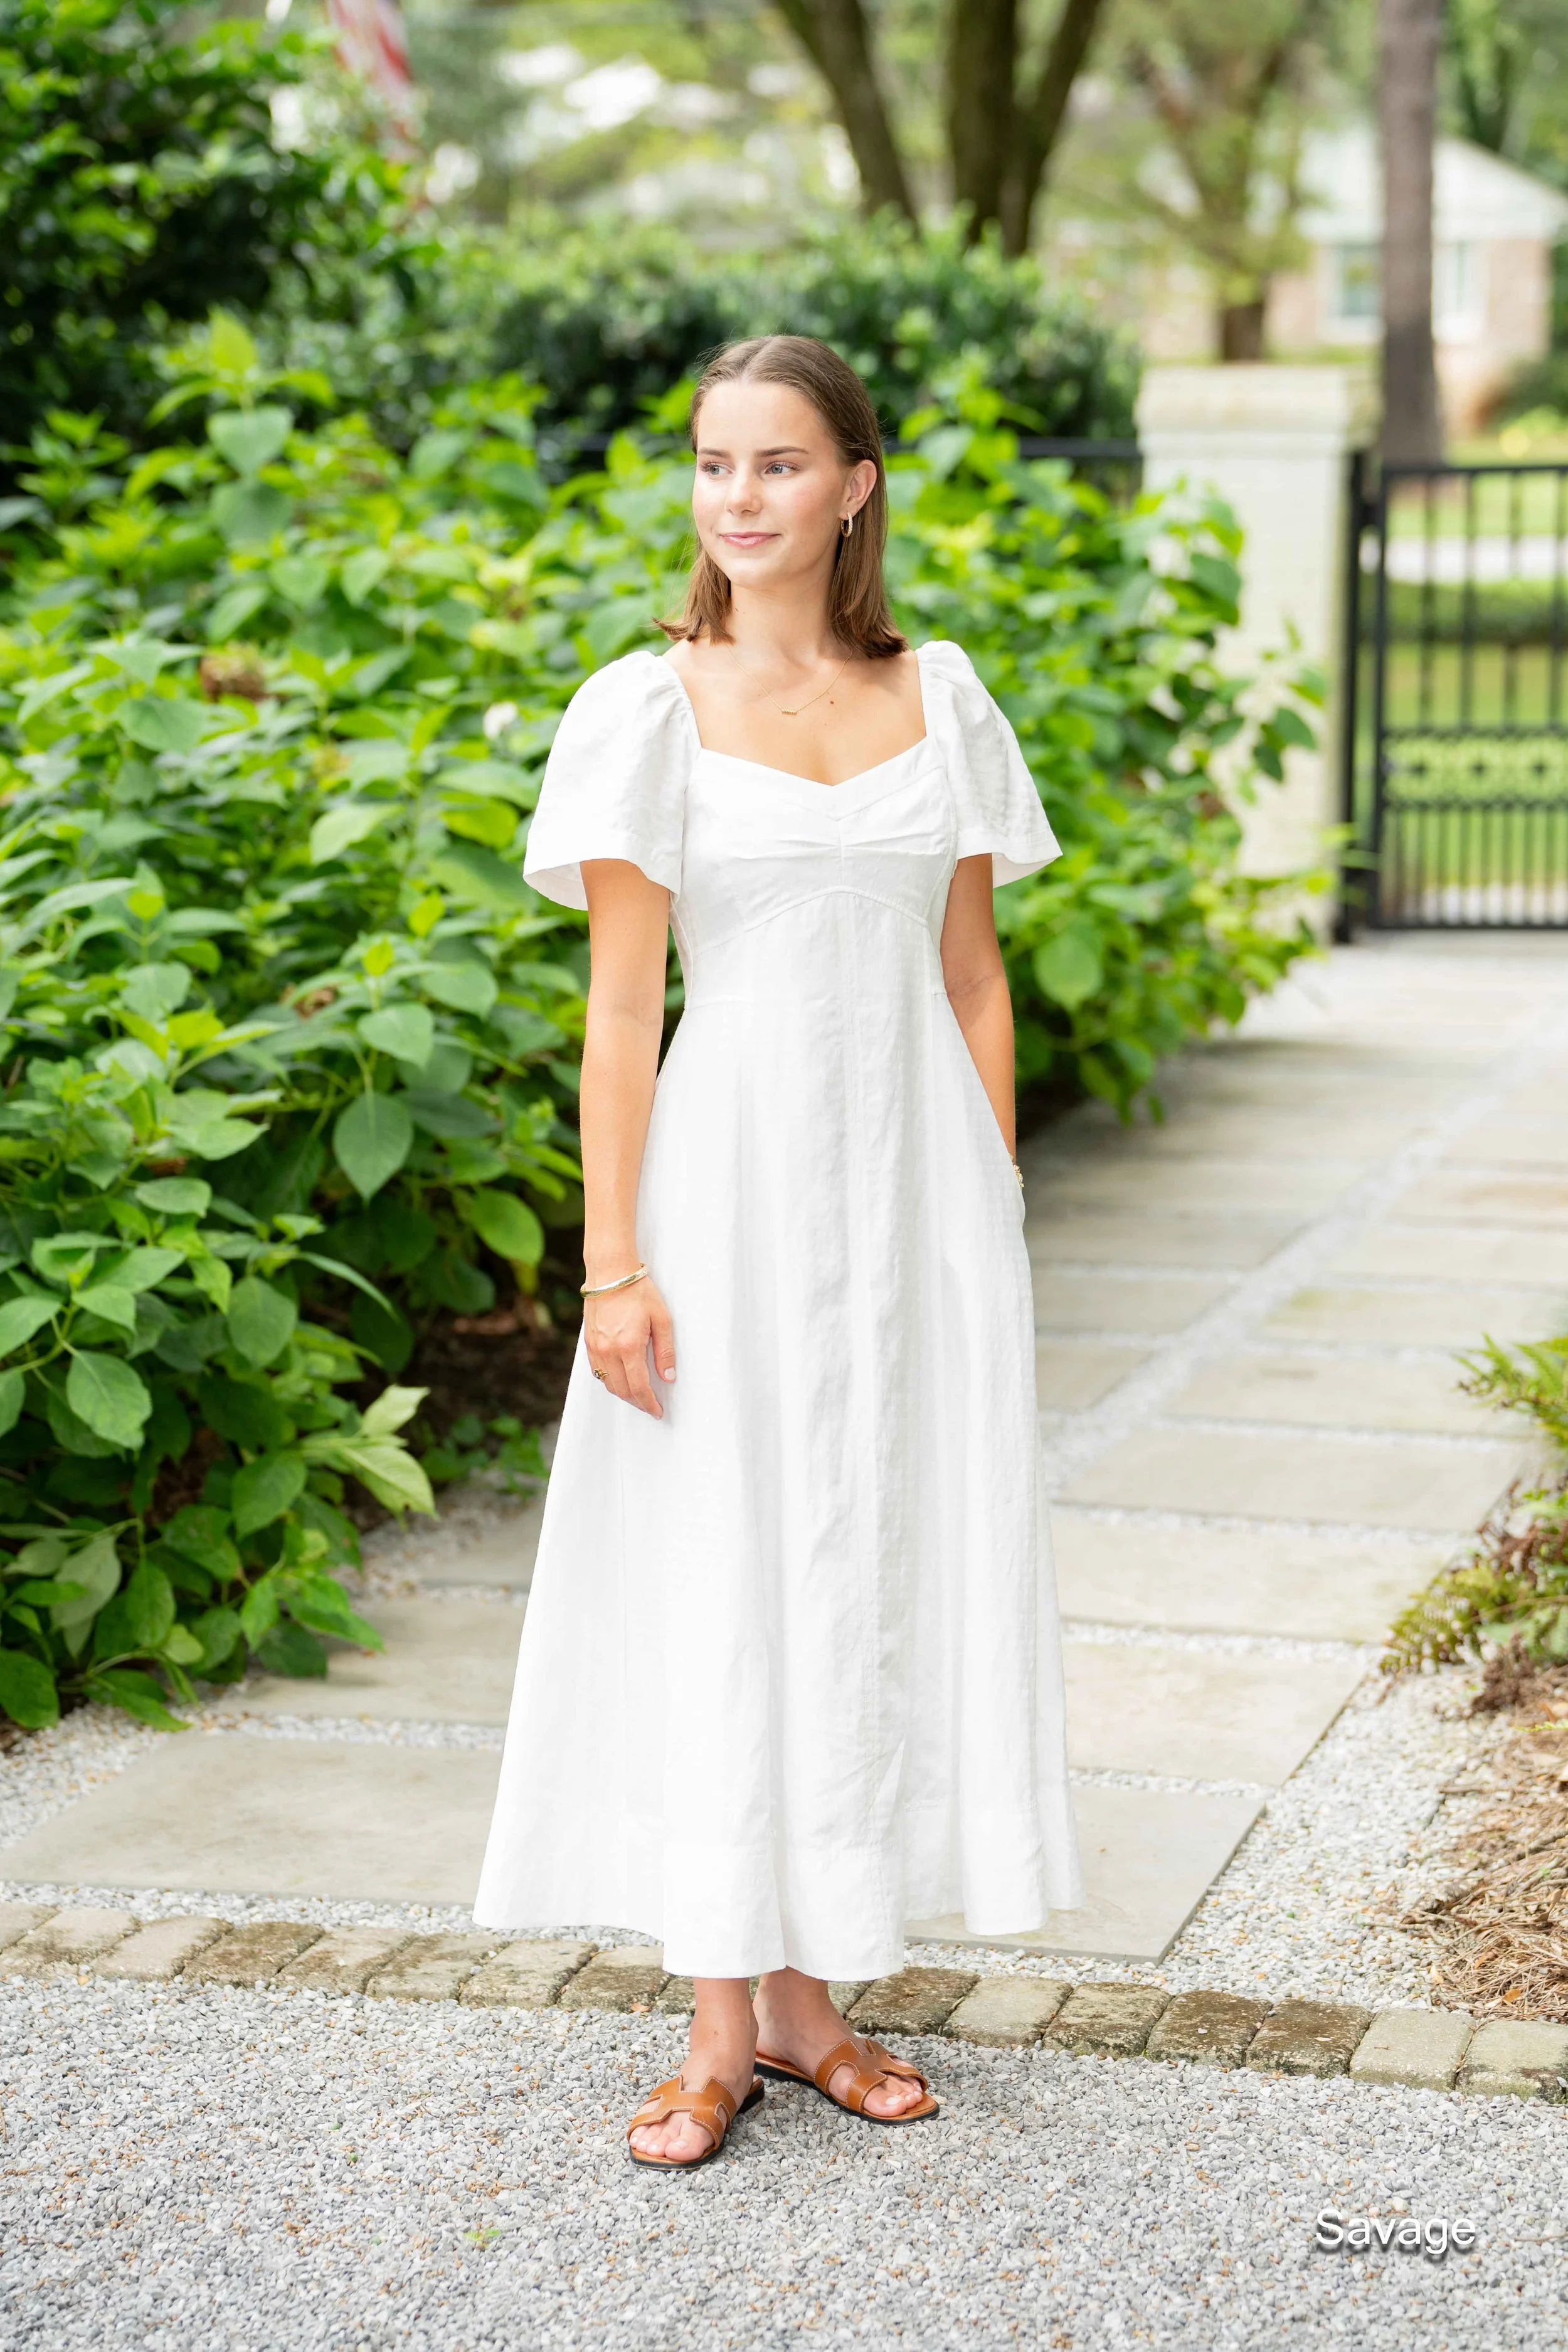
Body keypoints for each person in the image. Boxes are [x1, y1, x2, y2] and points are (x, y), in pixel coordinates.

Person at [474, 334, 1081, 2170]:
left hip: (915, 1204)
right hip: (719, 1192)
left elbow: (972, 977)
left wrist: (985, 1205)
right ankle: (713, 2021)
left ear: (853, 486)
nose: (735, 496)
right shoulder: (641, 710)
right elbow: (618, 1014)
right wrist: (611, 1264)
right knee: (724, 1557)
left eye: (776, 462)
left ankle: (818, 1994)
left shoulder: (944, 695)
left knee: (867, 1555)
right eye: (711, 463)